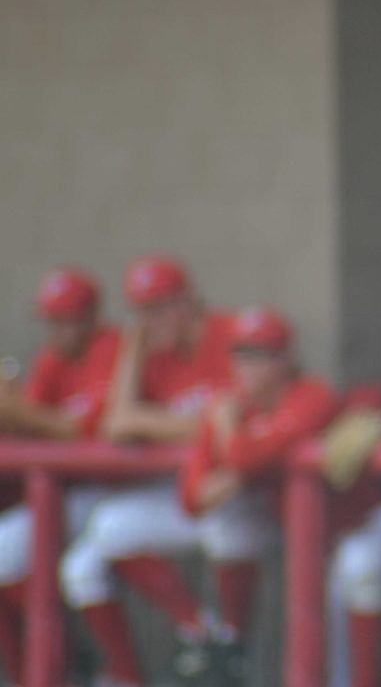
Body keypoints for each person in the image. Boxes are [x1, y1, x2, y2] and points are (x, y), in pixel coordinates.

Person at [60, 255, 236, 687]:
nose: (148, 321)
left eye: (158, 308)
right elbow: (116, 425)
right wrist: (133, 352)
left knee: (113, 526)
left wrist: (151, 422)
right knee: (90, 555)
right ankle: (192, 638)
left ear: (189, 303)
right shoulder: (154, 356)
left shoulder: (229, 336)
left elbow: (236, 426)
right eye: (139, 311)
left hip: (241, 493)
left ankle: (218, 638)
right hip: (192, 493)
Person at [177, 305, 340, 682]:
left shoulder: (311, 396)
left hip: (346, 529)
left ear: (285, 360)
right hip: (283, 525)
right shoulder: (228, 406)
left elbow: (243, 457)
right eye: (240, 355)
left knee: (353, 580)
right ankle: (232, 642)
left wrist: (235, 448)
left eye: (260, 356)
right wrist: (243, 463)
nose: (247, 367)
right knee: (225, 525)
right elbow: (191, 499)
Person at [0, 267, 121, 684]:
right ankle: (34, 673)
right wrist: (13, 413)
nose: (55, 330)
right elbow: (29, 429)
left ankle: (111, 670)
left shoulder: (110, 348)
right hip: (68, 493)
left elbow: (91, 430)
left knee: (83, 565)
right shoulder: (51, 360)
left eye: (64, 319)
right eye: (50, 320)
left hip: (114, 487)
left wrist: (20, 413)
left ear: (90, 316)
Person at [323, 385, 381, 687]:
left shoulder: (312, 398)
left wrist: (376, 418)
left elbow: (380, 401)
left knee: (359, 564)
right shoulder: (255, 413)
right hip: (325, 541)